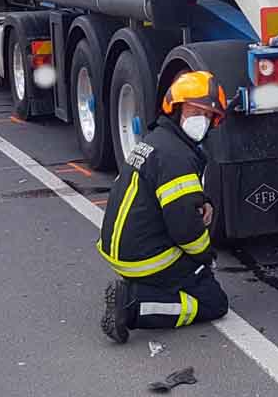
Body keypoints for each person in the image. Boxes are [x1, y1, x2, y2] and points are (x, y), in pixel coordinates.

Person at [98, 70, 230, 343]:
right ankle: (133, 305)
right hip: (146, 259)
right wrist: (205, 257)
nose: (201, 121)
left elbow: (167, 195)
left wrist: (201, 201)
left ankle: (142, 288)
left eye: (207, 116)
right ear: (176, 108)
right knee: (213, 302)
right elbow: (184, 229)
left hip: (124, 249)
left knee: (197, 275)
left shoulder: (157, 140)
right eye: (195, 110)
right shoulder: (177, 157)